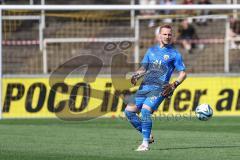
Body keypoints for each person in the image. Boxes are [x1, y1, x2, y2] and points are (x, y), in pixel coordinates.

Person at [124, 24, 187, 151]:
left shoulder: (174, 54)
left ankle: (145, 144)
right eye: (165, 34)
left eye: (169, 34)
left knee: (145, 111)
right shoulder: (151, 51)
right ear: (159, 36)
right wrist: (136, 75)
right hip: (144, 86)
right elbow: (144, 68)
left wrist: (174, 84)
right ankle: (147, 135)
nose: (167, 36)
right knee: (129, 112)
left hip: (160, 88)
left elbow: (183, 73)